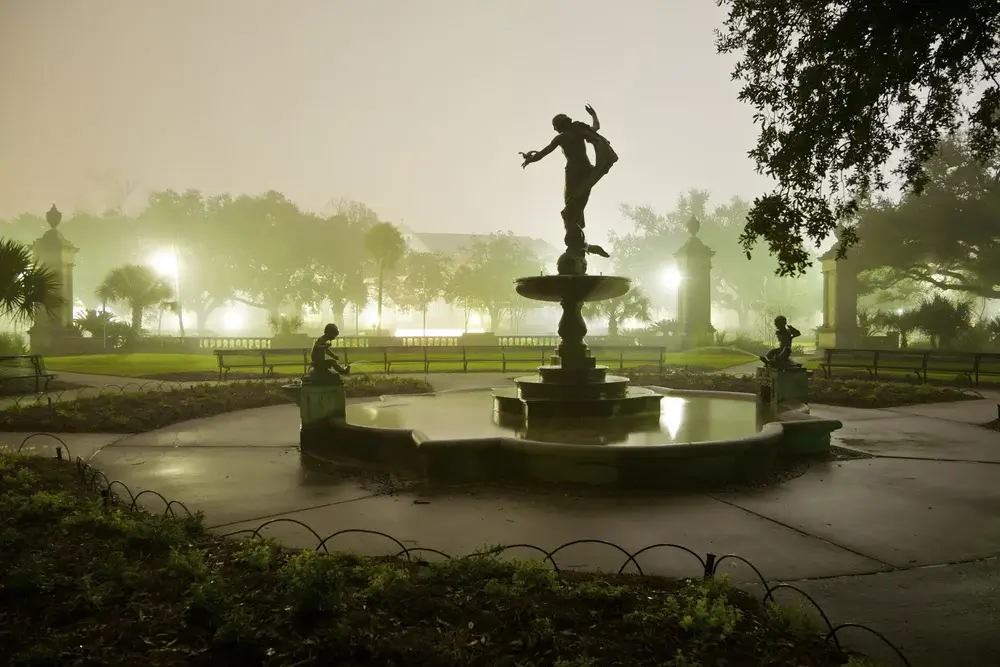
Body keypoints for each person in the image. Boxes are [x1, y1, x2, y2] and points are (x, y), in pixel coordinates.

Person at [519, 104, 618, 265]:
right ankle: (581, 246)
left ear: (559, 126)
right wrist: (593, 114)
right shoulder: (578, 130)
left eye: (555, 127)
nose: (555, 130)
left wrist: (530, 159)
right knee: (574, 209)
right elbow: (596, 127)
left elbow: (545, 152)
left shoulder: (562, 137)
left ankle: (580, 246)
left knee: (569, 211)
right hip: (587, 173)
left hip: (573, 174)